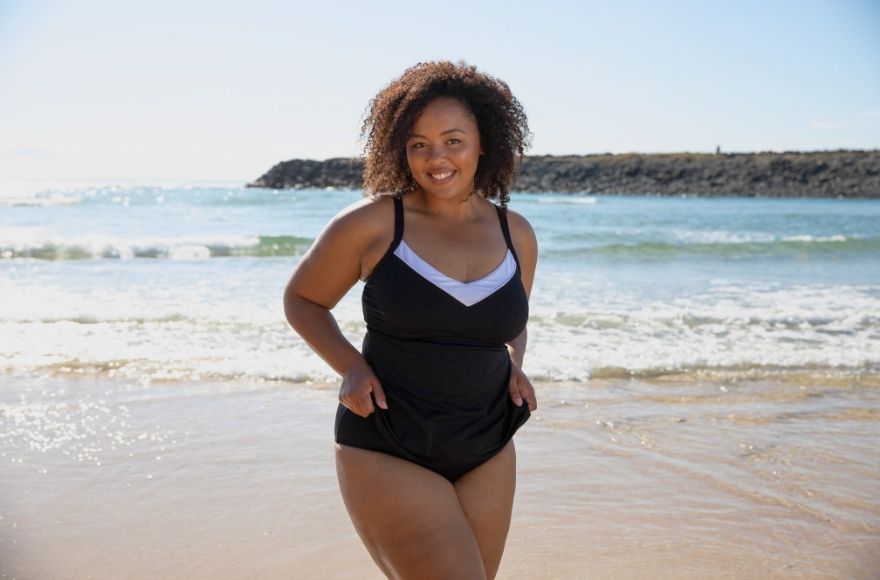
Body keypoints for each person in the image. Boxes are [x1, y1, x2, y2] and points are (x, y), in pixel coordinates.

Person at [283, 60, 538, 579]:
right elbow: (303, 300)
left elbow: (511, 321)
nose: (436, 158)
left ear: (483, 142)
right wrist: (350, 367)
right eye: (419, 144)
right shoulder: (373, 223)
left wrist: (515, 362)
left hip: (487, 442)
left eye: (453, 140)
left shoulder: (516, 233)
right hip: (388, 442)